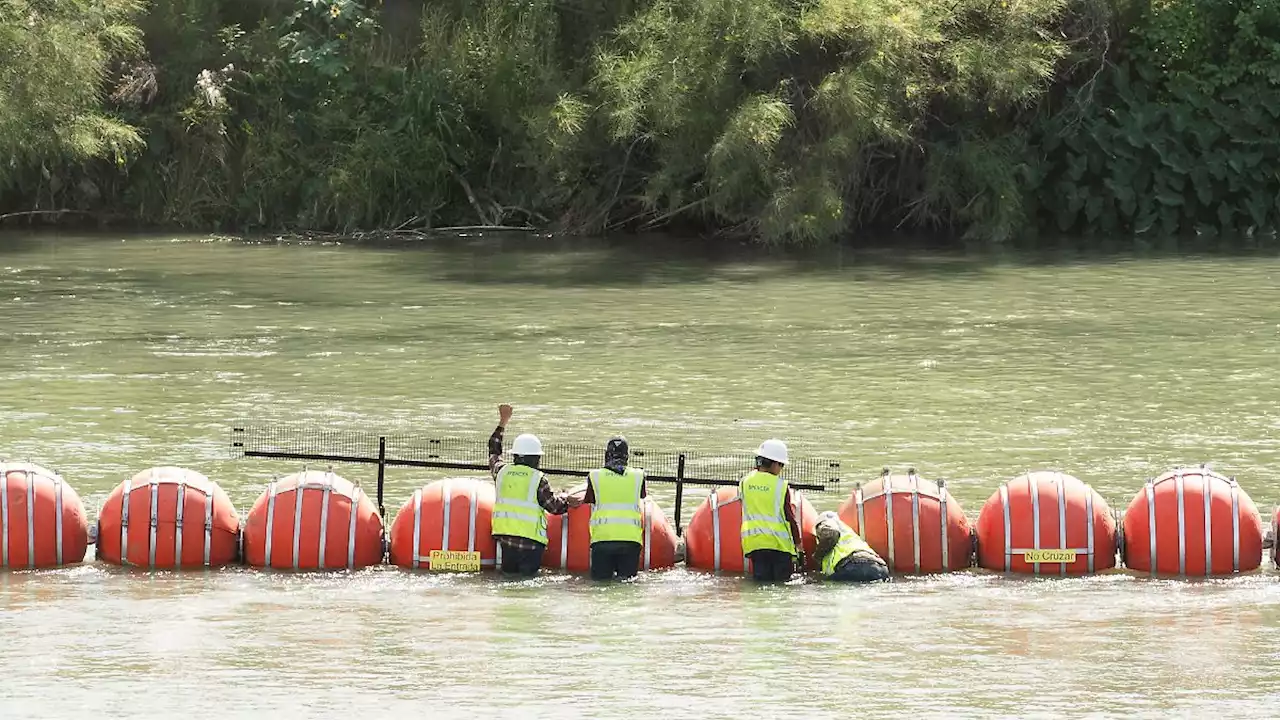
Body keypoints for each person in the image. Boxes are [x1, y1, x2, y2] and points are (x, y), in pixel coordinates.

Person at [488, 403, 580, 577]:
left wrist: (503, 421)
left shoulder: (501, 472)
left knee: (508, 581)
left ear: (515, 455)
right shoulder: (538, 479)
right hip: (531, 544)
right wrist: (566, 498)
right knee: (526, 584)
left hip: (505, 539)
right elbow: (554, 507)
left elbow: (493, 451)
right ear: (536, 458)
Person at [739, 438, 804, 582]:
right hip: (779, 546)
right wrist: (798, 544)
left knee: (761, 585)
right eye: (781, 465)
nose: (781, 469)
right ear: (774, 463)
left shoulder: (745, 482)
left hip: (755, 544)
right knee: (781, 587)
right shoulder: (781, 486)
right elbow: (789, 517)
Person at [583, 436, 647, 581]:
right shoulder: (639, 476)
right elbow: (642, 496)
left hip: (602, 541)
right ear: (627, 456)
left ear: (606, 455)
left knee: (600, 585)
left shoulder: (595, 476)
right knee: (627, 585)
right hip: (631, 541)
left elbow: (588, 500)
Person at [813, 511, 890, 582]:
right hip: (881, 567)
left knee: (824, 584)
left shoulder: (826, 522)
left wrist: (818, 556)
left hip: (853, 565)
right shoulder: (849, 532)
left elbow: (830, 533)